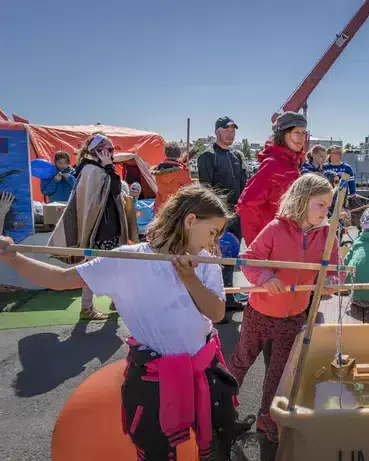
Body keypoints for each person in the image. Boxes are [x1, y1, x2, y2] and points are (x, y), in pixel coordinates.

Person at [0, 184, 254, 460]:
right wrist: (12, 258)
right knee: (153, 446)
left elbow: (217, 314)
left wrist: (190, 279)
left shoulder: (205, 262)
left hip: (205, 369)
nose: (212, 241)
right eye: (212, 232)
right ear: (190, 220)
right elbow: (61, 280)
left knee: (219, 440)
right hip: (151, 375)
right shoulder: (127, 259)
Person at [229, 174, 342, 442]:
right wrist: (266, 278)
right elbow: (248, 260)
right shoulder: (276, 228)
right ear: (303, 201)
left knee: (279, 374)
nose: (327, 211)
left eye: (329, 205)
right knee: (241, 360)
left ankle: (267, 420)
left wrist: (331, 282)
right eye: (321, 205)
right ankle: (221, 408)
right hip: (260, 313)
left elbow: (335, 268)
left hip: (294, 317)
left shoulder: (328, 234)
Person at [48, 134, 130, 320]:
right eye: (108, 150)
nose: (111, 153)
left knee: (107, 266)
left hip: (105, 227)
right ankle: (89, 307)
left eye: (112, 150)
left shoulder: (92, 169)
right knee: (98, 267)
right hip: (101, 230)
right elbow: (115, 188)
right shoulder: (93, 170)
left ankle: (109, 301)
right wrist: (109, 167)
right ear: (98, 151)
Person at [197, 117, 248, 311]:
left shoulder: (238, 156)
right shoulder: (208, 156)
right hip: (218, 218)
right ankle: (213, 303)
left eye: (233, 130)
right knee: (214, 260)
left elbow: (244, 186)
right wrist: (216, 217)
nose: (231, 133)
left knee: (231, 258)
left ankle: (229, 298)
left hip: (237, 216)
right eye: (227, 129)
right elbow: (205, 190)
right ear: (217, 131)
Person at [237, 112, 306, 248]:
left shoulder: (294, 164)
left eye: (304, 133)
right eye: (296, 132)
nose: (301, 138)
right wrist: (258, 246)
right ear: (282, 135)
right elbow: (247, 205)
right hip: (273, 247)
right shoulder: (272, 164)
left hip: (289, 243)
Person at [151, 141, 192, 214]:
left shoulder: (158, 169)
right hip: (176, 207)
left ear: (166, 153)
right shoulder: (181, 171)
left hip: (160, 207)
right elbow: (189, 189)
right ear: (179, 154)